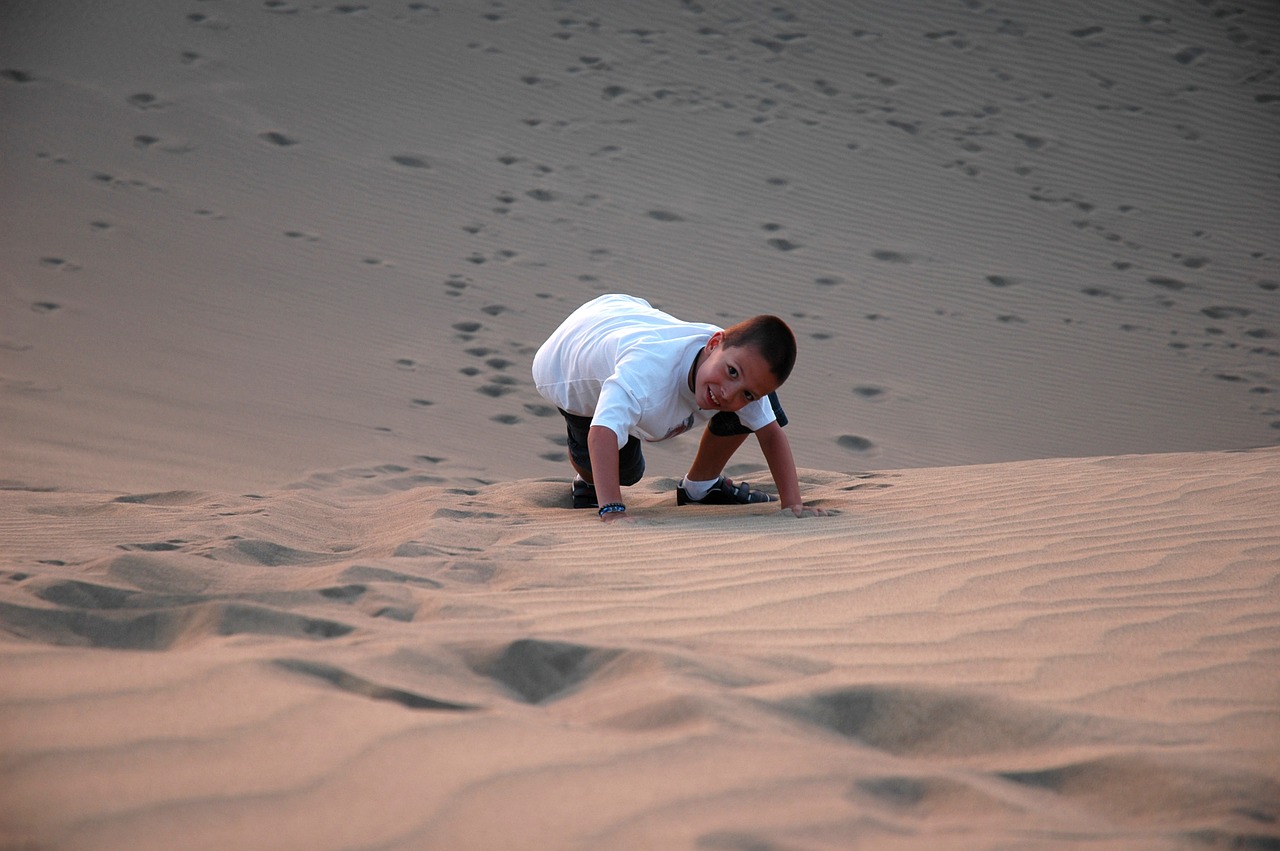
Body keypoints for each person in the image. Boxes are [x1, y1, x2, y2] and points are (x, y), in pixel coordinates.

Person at [532, 293, 827, 523]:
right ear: (713, 343)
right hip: (566, 363)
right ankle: (586, 480)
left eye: (745, 393)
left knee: (765, 402)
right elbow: (601, 433)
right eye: (732, 372)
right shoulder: (644, 376)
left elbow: (770, 432)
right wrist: (612, 509)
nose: (728, 393)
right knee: (625, 471)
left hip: (625, 320)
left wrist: (793, 505)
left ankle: (701, 487)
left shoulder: (732, 361)